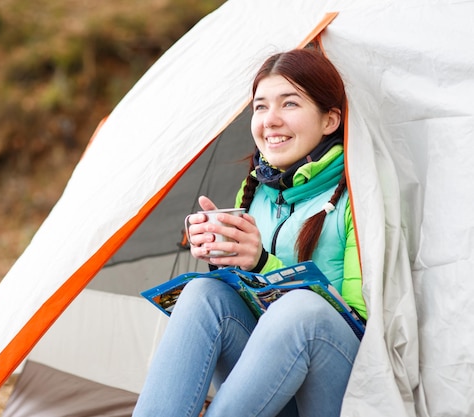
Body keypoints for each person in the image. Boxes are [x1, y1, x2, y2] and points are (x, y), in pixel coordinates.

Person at [132, 48, 367, 417]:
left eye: (289, 104)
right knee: (202, 293)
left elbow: (365, 325)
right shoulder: (256, 190)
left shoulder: (359, 193)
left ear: (330, 120)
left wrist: (262, 262)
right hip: (269, 390)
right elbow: (245, 298)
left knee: (302, 309)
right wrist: (220, 253)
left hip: (337, 391)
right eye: (260, 107)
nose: (270, 120)